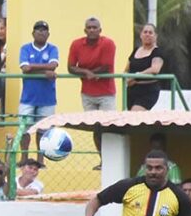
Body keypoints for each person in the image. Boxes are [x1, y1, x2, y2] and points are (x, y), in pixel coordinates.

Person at [68, 17, 117, 164]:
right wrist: (87, 73)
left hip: (106, 92)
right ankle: (103, 159)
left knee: (108, 127)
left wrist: (85, 72)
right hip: (87, 93)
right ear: (85, 30)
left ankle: (111, 159)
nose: (92, 30)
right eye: (89, 27)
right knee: (96, 128)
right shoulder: (76, 44)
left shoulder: (108, 43)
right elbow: (70, 67)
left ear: (100, 30)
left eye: (95, 27)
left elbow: (106, 66)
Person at [18, 20, 59, 166]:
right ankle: (24, 158)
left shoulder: (53, 48)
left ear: (48, 34)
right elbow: (25, 68)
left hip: (47, 97)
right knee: (24, 129)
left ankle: (40, 160)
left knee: (44, 130)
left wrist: (34, 67)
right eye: (38, 29)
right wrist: (45, 71)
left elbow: (53, 65)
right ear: (32, 33)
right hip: (28, 97)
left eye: (44, 30)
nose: (41, 32)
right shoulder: (25, 48)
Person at [126, 23, 166, 111]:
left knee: (135, 114)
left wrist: (137, 76)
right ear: (141, 35)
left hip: (148, 90)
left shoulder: (157, 52)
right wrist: (128, 79)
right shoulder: (136, 50)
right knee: (131, 119)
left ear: (155, 36)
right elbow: (126, 69)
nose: (147, 34)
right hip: (132, 90)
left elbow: (155, 69)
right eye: (145, 32)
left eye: (150, 33)